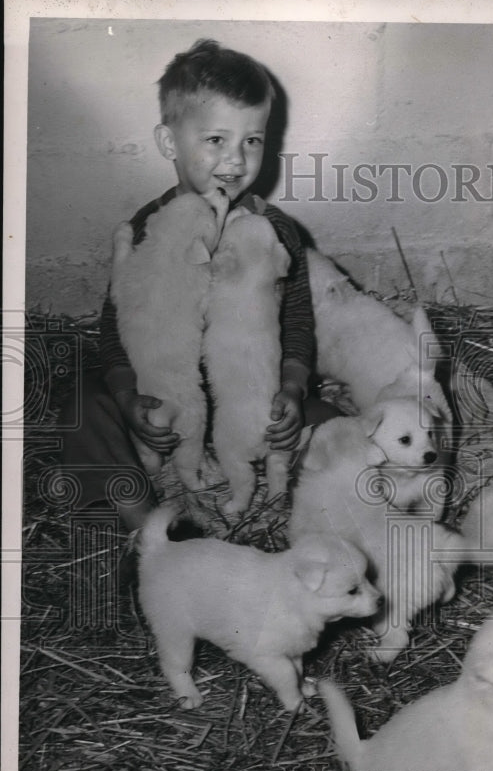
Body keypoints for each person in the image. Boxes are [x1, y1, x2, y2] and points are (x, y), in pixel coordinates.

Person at [60, 39, 338, 534]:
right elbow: (117, 323)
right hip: (168, 390)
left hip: (251, 392)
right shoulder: (150, 226)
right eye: (215, 141)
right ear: (170, 143)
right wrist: (128, 399)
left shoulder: (277, 231)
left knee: (333, 426)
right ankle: (148, 530)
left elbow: (297, 320)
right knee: (81, 406)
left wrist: (293, 391)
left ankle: (311, 526)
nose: (235, 160)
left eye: (252, 140)